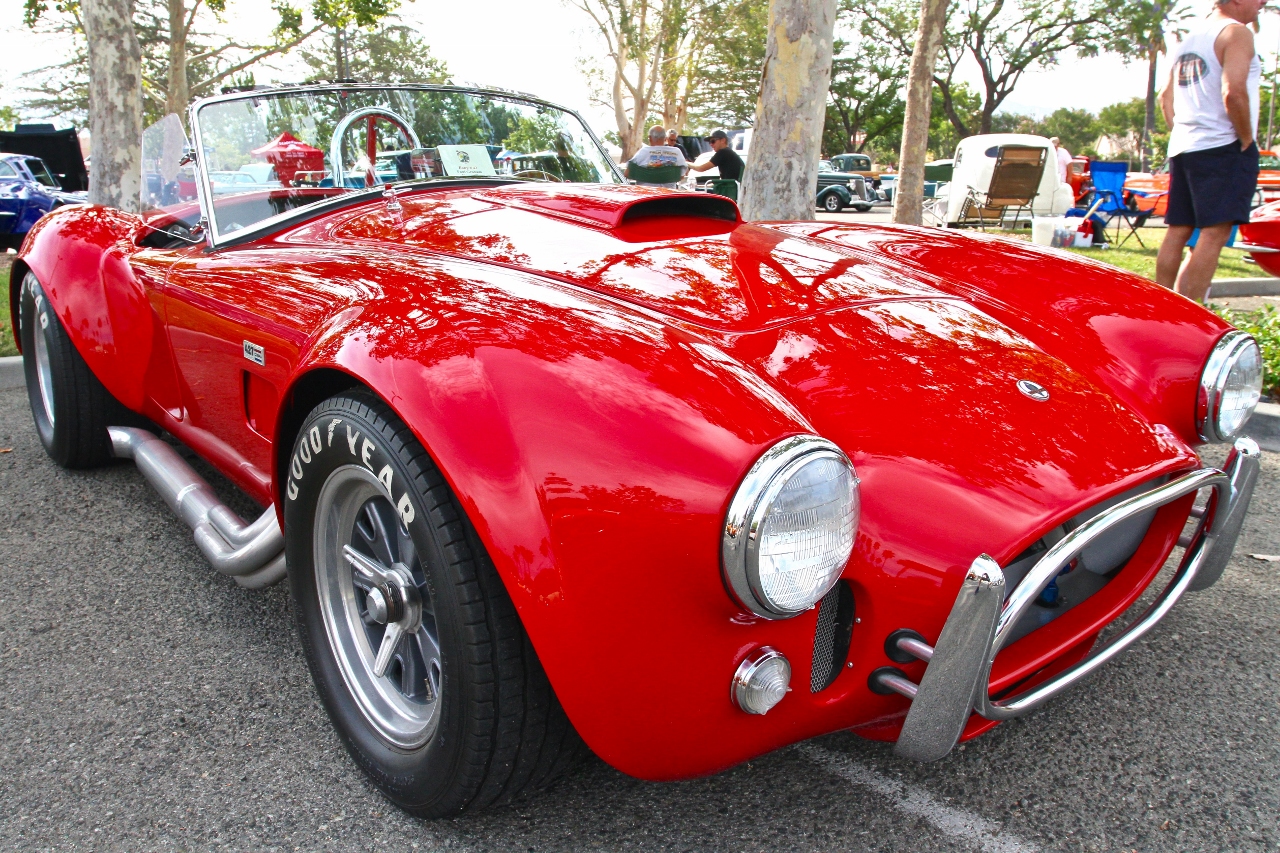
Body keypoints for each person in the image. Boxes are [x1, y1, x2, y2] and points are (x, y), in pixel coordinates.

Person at [1156, 0, 1265, 304]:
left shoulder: (1189, 38)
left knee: (1178, 230)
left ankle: (1163, 308)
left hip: (1185, 145)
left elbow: (1165, 97)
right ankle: (1192, 316)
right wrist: (1246, 139)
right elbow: (1233, 92)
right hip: (1222, 144)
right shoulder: (1236, 32)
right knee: (1215, 233)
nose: (1263, 3)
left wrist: (1182, 131)